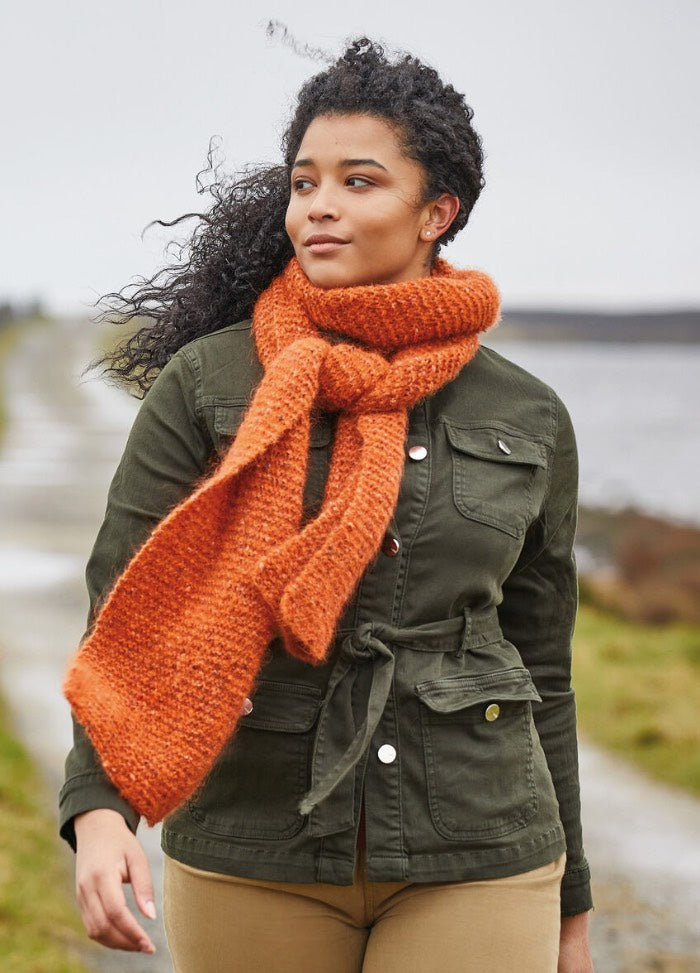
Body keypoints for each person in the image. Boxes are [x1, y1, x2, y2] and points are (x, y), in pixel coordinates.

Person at [59, 38, 594, 972]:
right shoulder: (209, 382)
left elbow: (542, 662)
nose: (320, 206)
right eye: (304, 182)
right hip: (254, 841)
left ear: (437, 212)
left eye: (358, 181)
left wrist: (571, 902)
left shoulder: (527, 412)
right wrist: (100, 809)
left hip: (479, 841)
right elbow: (127, 608)